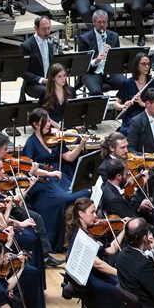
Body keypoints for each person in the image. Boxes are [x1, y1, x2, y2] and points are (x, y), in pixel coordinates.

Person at [21, 107, 93, 252]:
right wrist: (50, 174)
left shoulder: (56, 138)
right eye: (45, 122)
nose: (49, 124)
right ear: (36, 124)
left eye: (49, 121)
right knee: (62, 199)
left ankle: (79, 234)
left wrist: (81, 144)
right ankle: (59, 241)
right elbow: (28, 168)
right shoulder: (31, 143)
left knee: (84, 192)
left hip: (58, 178)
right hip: (42, 180)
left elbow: (70, 157)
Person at [0, 133, 60, 266]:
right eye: (5, 149)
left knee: (37, 218)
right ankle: (37, 256)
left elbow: (17, 177)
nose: (8, 153)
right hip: (4, 211)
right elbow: (1, 213)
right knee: (33, 222)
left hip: (9, 205)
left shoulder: (0, 166)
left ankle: (44, 255)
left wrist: (44, 174)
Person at [99, 158, 154, 286]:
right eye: (126, 174)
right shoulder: (113, 198)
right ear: (118, 176)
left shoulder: (110, 187)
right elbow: (132, 224)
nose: (129, 176)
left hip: (131, 226)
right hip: (129, 239)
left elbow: (128, 208)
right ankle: (153, 287)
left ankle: (150, 271)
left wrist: (139, 205)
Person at [66, 197, 125, 308]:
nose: (95, 216)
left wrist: (124, 230)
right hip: (88, 280)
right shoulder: (80, 236)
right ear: (80, 214)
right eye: (92, 212)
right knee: (115, 291)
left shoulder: (90, 232)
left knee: (120, 287)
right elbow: (98, 264)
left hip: (96, 275)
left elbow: (111, 250)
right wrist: (120, 273)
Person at [0, 155, 48, 285]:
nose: (4, 171)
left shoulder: (0, 185)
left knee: (34, 235)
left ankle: (37, 281)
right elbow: (2, 220)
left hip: (10, 225)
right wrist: (21, 223)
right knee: (32, 239)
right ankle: (32, 280)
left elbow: (14, 201)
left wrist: (28, 186)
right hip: (3, 231)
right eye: (0, 169)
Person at [77, 9, 127, 95]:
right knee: (96, 91)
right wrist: (96, 61)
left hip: (110, 72)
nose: (102, 25)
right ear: (93, 22)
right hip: (92, 73)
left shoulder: (114, 36)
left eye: (104, 22)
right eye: (99, 22)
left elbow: (118, 61)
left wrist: (112, 53)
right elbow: (82, 63)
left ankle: (120, 106)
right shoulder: (84, 38)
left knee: (127, 85)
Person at [114, 53, 154, 134]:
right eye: (143, 64)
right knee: (126, 131)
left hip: (150, 116)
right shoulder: (128, 83)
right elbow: (115, 105)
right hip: (132, 118)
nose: (147, 67)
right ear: (137, 65)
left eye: (148, 64)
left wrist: (142, 103)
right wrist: (123, 106)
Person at [20, 15, 56, 99]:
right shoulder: (26, 46)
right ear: (36, 28)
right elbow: (23, 72)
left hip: (50, 81)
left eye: (49, 28)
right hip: (33, 83)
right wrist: (42, 80)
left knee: (70, 90)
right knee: (47, 92)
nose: (47, 32)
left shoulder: (51, 43)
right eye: (44, 29)